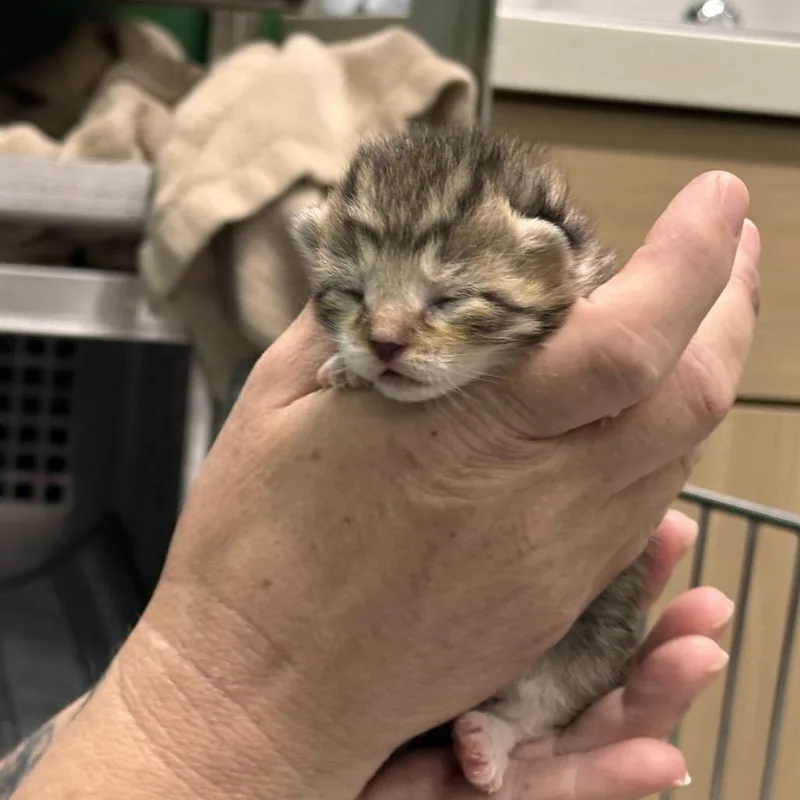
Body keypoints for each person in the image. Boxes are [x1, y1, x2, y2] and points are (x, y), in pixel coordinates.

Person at [0, 170, 759, 800]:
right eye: (354, 301)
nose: (386, 336)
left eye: (446, 302)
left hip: (545, 656)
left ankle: (519, 722)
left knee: (593, 651)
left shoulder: (553, 301)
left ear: (547, 269)